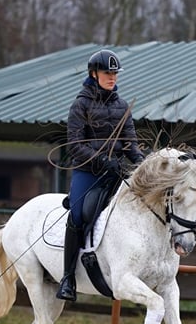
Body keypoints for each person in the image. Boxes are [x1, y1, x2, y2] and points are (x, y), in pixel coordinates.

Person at [56, 49, 145, 301]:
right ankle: (67, 277)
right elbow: (74, 145)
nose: (112, 77)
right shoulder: (80, 105)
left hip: (115, 172)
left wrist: (140, 162)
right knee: (77, 215)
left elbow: (130, 143)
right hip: (88, 172)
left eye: (115, 73)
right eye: (108, 73)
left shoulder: (122, 105)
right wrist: (102, 160)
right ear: (94, 74)